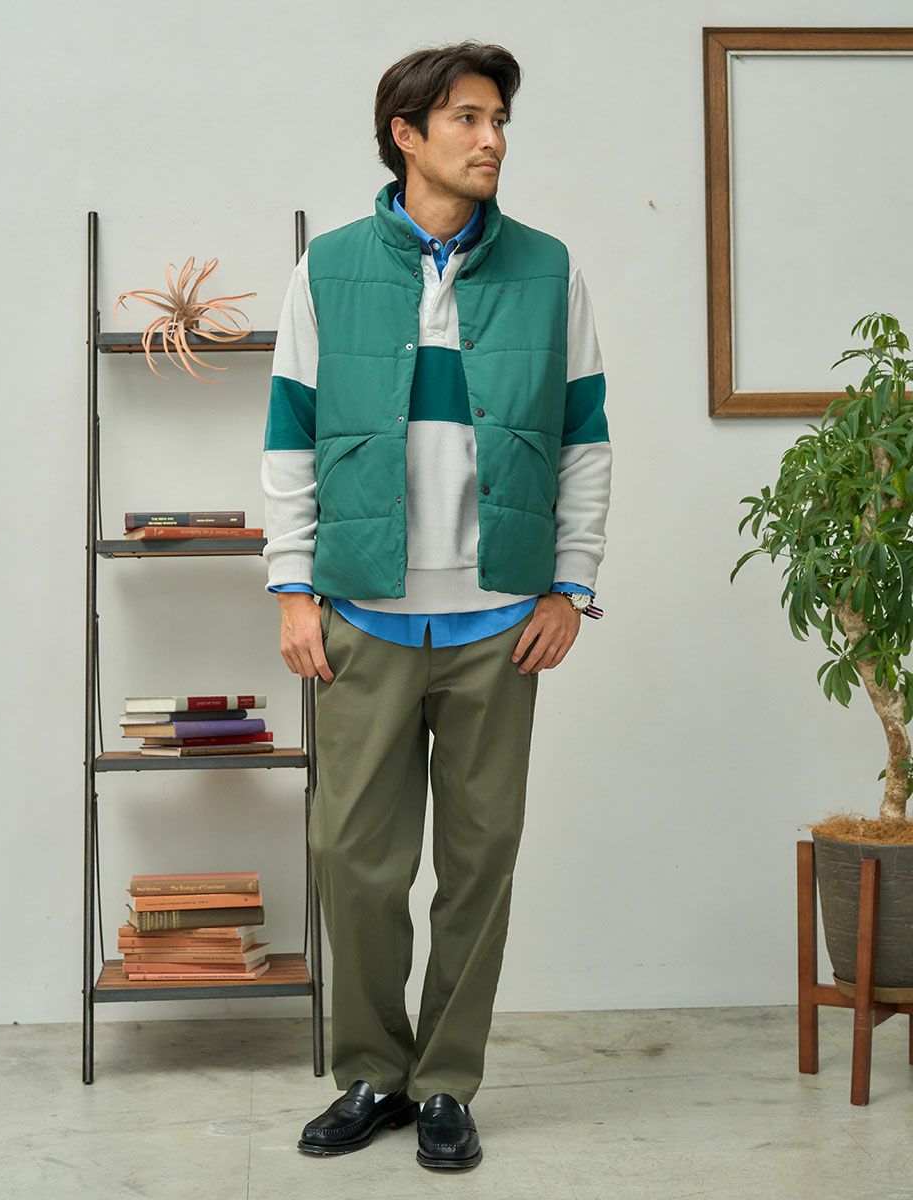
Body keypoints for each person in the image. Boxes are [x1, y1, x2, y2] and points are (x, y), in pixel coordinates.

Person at [260, 39, 612, 1172]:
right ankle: (373, 1072)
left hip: (498, 618)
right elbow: (289, 436)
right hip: (362, 612)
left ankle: (448, 1080)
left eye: (499, 119)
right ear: (405, 135)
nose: (492, 138)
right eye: (467, 118)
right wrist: (293, 588)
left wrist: (570, 585)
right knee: (351, 857)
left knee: (479, 859)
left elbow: (587, 439)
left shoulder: (550, 269)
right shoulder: (327, 270)